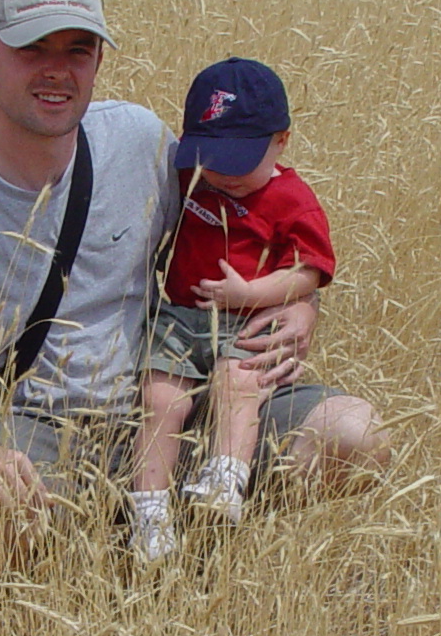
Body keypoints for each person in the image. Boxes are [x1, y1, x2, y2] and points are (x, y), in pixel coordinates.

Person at [0, 0, 386, 551]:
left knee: (356, 438)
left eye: (77, 49)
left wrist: (301, 305)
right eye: (32, 49)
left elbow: (236, 233)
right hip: (36, 431)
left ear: (99, 59)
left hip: (173, 400)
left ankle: (192, 553)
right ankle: (88, 554)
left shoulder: (139, 141)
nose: (57, 70)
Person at [125, 57, 335, 563]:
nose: (222, 174)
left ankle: (223, 485)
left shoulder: (293, 200)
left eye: (238, 160)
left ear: (281, 140)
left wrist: (252, 295)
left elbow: (310, 270)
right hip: (179, 317)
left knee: (236, 384)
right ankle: (148, 516)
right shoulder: (194, 177)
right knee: (160, 401)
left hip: (246, 321)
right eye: (211, 157)